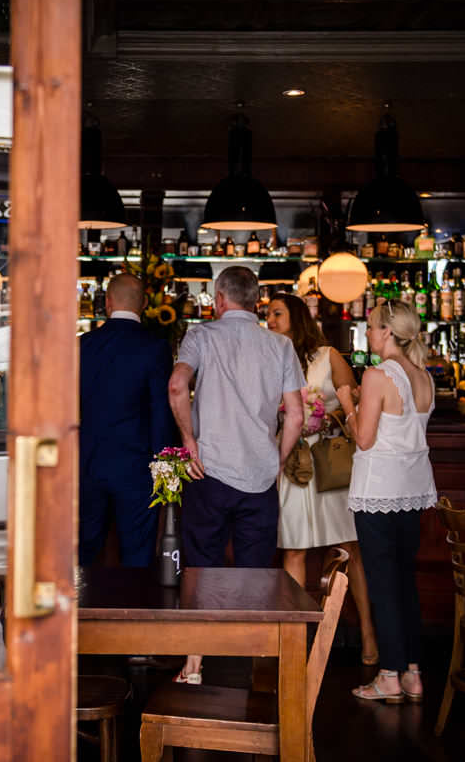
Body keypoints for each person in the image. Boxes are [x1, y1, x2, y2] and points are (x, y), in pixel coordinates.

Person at [168, 267, 306, 683]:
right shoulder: (280, 345)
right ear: (256, 301)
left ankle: (195, 662)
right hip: (259, 477)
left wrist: (189, 442)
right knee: (256, 576)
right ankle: (254, 672)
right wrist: (277, 460)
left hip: (208, 471)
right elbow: (296, 415)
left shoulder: (201, 336)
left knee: (201, 570)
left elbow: (177, 386)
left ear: (219, 299)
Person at [265, 292, 379, 666]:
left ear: (297, 318)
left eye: (277, 314)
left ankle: (368, 635)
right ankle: (296, 643)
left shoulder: (328, 357)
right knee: (293, 548)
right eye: (268, 315)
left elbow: (357, 403)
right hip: (291, 463)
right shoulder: (270, 360)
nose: (270, 321)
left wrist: (328, 418)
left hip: (330, 463)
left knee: (350, 549)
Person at [337, 300, 437, 703]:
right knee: (404, 581)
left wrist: (348, 403)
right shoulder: (424, 376)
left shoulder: (376, 375)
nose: (367, 333)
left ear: (388, 332)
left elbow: (363, 439)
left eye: (371, 326)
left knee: (382, 582)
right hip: (412, 489)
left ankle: (389, 676)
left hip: (379, 490)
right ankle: (412, 672)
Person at [78, 274, 177, 567]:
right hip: (137, 466)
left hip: (88, 462)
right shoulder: (155, 347)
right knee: (137, 553)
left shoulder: (83, 345)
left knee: (85, 551)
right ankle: (134, 597)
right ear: (144, 304)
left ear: (108, 303)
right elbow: (161, 413)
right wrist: (166, 472)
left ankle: (82, 597)